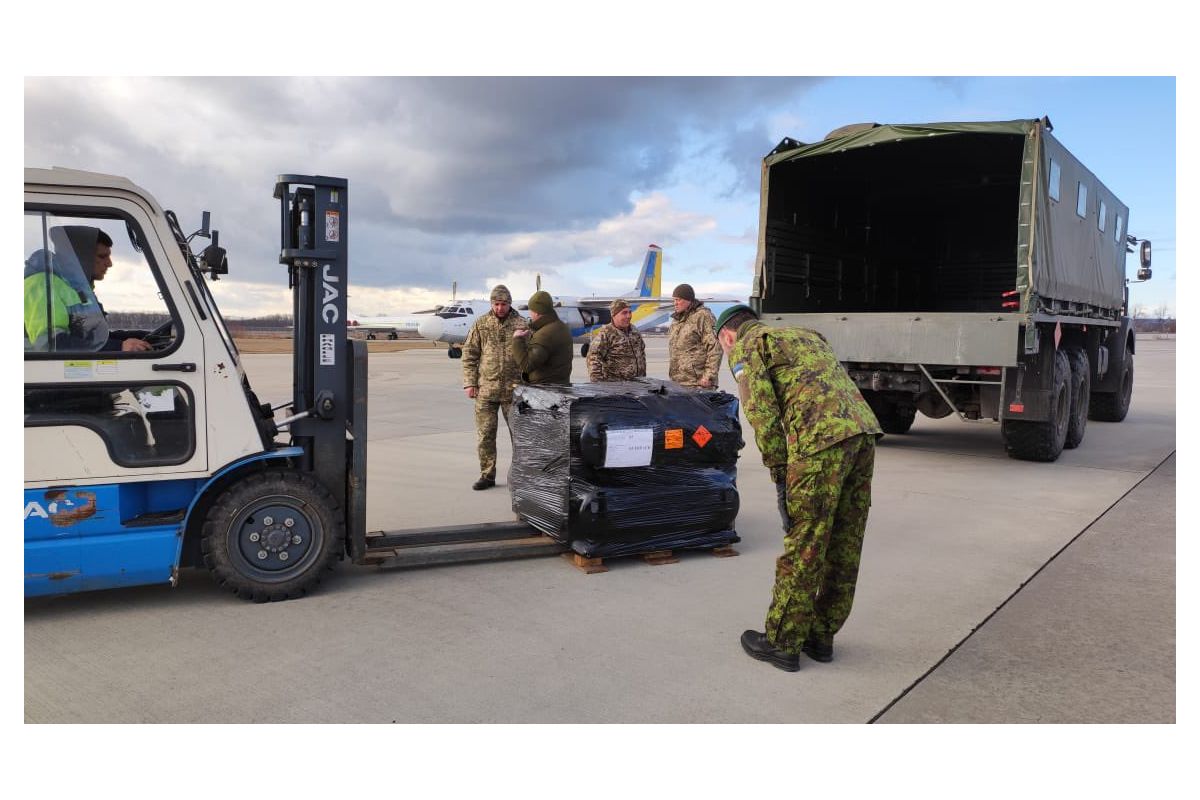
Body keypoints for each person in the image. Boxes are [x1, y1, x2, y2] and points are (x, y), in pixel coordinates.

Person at [715, 304, 882, 672]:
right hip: (862, 434)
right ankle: (821, 636)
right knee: (845, 539)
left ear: (727, 335)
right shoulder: (805, 335)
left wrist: (779, 475)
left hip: (819, 443)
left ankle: (782, 642)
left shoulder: (747, 347)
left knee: (805, 541)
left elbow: (764, 416)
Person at [23, 226, 151, 353]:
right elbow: (53, 343)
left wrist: (143, 336)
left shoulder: (74, 287)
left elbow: (92, 339)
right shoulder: (41, 286)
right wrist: (118, 347)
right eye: (102, 256)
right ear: (80, 258)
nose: (109, 263)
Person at [462, 285, 528, 490]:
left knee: (519, 436)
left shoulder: (522, 324)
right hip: (486, 391)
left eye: (504, 304)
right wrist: (470, 383)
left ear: (510, 304)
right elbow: (470, 355)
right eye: (496, 304)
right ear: (492, 304)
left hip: (514, 391)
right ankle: (487, 475)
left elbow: (531, 356)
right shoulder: (481, 324)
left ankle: (520, 476)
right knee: (485, 435)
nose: (500, 308)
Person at [512, 290, 573, 386]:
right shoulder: (561, 326)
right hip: (561, 385)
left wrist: (517, 340)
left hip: (546, 391)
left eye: (531, 310)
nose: (530, 314)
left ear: (537, 312)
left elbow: (527, 365)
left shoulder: (545, 335)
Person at [667, 283, 720, 388]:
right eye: (674, 300)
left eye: (678, 300)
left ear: (688, 300)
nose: (675, 303)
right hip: (678, 382)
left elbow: (715, 347)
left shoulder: (703, 316)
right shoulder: (676, 320)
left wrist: (708, 376)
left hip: (697, 383)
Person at [586, 298, 646, 382]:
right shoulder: (606, 333)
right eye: (624, 313)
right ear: (614, 315)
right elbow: (593, 358)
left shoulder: (634, 331)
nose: (629, 316)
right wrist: (598, 384)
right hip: (616, 388)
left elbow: (642, 354)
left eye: (629, 312)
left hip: (637, 385)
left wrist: (643, 378)